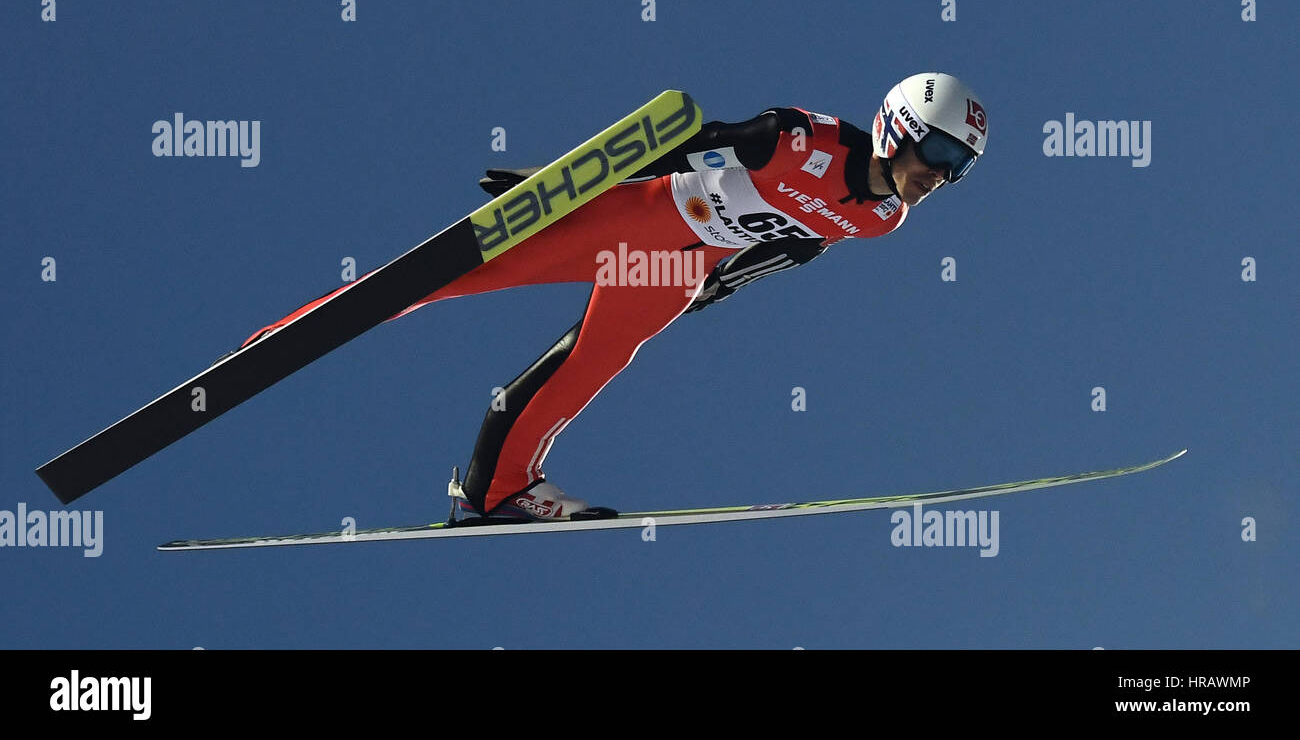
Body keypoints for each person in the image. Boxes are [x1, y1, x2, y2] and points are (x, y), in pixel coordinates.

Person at [236, 72, 989, 521]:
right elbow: (686, 143)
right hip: (639, 215)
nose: (944, 175)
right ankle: (286, 337)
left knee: (595, 360)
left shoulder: (882, 220)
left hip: (678, 269)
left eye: (961, 167)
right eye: (943, 151)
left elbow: (796, 244)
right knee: (455, 272)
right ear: (900, 127)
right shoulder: (802, 139)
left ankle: (495, 491)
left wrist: (718, 285)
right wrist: (557, 186)